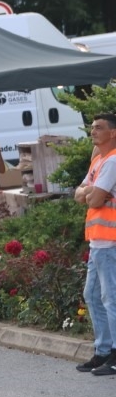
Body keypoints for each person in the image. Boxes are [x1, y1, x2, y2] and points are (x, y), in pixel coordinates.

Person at [75, 113, 116, 375]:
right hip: (98, 243)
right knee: (93, 296)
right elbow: (79, 194)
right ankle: (103, 351)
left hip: (110, 242)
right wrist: (89, 192)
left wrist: (89, 192)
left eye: (99, 128)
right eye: (92, 128)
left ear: (113, 133)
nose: (93, 132)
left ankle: (112, 354)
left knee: (110, 298)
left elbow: (93, 200)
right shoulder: (99, 160)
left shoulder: (112, 161)